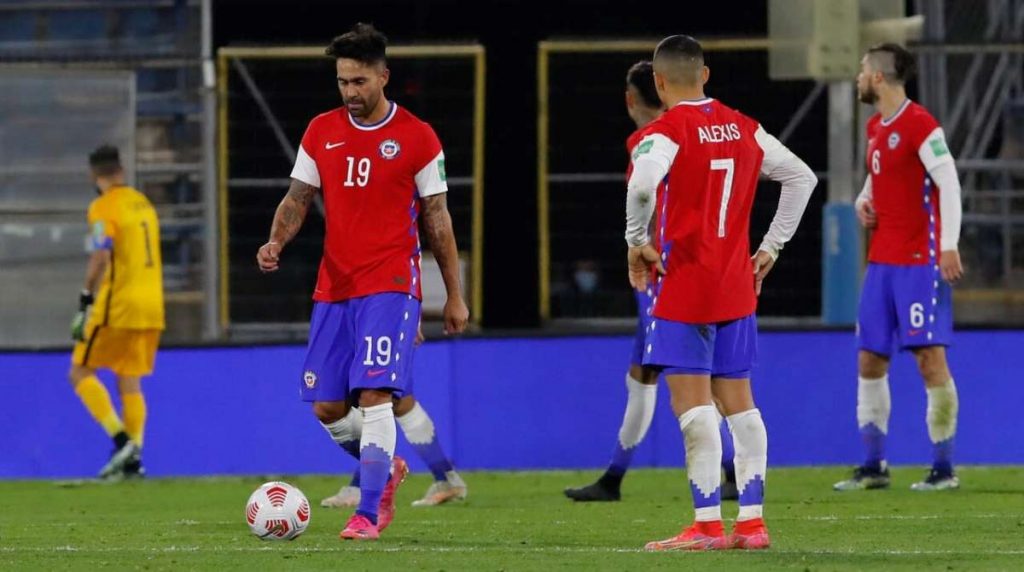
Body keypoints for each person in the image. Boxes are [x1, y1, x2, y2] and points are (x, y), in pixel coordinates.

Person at [256, 23, 469, 541]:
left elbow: (437, 219)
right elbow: (297, 199)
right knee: (328, 407)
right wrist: (276, 242)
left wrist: (454, 295)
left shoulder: (418, 137)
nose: (350, 92)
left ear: (383, 77)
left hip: (392, 282)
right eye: (342, 82)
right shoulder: (320, 130)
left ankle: (368, 512)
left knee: (376, 395)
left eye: (359, 81)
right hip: (335, 286)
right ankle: (387, 468)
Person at [625, 36, 816, 551]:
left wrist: (635, 241)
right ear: (704, 75)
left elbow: (643, 187)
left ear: (659, 83)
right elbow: (802, 178)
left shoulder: (665, 131)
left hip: (686, 283)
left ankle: (707, 524)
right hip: (737, 283)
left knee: (692, 406)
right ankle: (752, 525)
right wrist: (771, 248)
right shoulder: (746, 127)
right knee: (741, 405)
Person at [565, 60, 739, 503]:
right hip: (705, 268)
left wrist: (641, 245)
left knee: (692, 380)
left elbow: (652, 201)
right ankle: (614, 478)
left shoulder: (651, 140)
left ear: (630, 99)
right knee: (643, 374)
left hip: (666, 274)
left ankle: (730, 472)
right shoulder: (697, 131)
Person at [833, 43, 963, 492]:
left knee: (929, 360)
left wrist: (948, 245)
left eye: (863, 70)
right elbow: (878, 175)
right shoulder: (876, 126)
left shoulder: (920, 124)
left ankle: (943, 469)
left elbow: (948, 180)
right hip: (881, 264)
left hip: (919, 262)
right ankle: (874, 467)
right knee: (870, 359)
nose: (858, 77)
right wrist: (862, 201)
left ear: (880, 78)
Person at [69, 144, 164, 480]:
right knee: (130, 381)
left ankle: (122, 440)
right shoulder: (144, 203)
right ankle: (134, 461)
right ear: (121, 171)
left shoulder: (102, 206)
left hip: (119, 304)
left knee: (79, 371)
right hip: (152, 305)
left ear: (95, 176)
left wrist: (84, 299)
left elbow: (100, 253)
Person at [321, 323, 468, 508]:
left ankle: (361, 486)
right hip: (368, 316)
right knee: (391, 399)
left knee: (382, 396)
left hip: (385, 315)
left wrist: (413, 316)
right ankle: (446, 477)